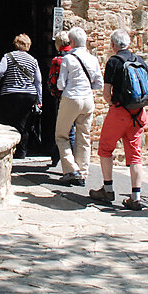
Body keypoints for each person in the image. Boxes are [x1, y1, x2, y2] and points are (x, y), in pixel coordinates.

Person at [90, 29, 148, 211]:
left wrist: (113, 103)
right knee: (135, 154)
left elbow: (107, 93)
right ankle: (136, 197)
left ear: (113, 45)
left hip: (119, 113)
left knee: (105, 148)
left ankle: (108, 190)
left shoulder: (114, 62)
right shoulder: (140, 61)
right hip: (139, 112)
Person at [54, 27, 103, 186]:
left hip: (71, 98)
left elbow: (61, 84)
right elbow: (99, 83)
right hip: (88, 99)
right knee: (84, 136)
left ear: (72, 42)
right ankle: (83, 173)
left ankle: (71, 168)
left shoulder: (68, 59)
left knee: (61, 135)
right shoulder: (93, 59)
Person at [0, 33, 43, 159]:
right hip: (29, 94)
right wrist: (39, 99)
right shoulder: (33, 60)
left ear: (16, 43)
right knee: (24, 124)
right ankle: (22, 152)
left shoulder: (8, 56)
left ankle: (8, 151)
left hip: (10, 93)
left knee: (8, 123)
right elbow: (38, 81)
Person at [47, 31, 72, 166]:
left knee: (62, 131)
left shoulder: (58, 60)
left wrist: (52, 92)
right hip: (82, 97)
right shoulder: (77, 56)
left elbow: (53, 81)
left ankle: (64, 161)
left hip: (63, 98)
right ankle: (58, 158)